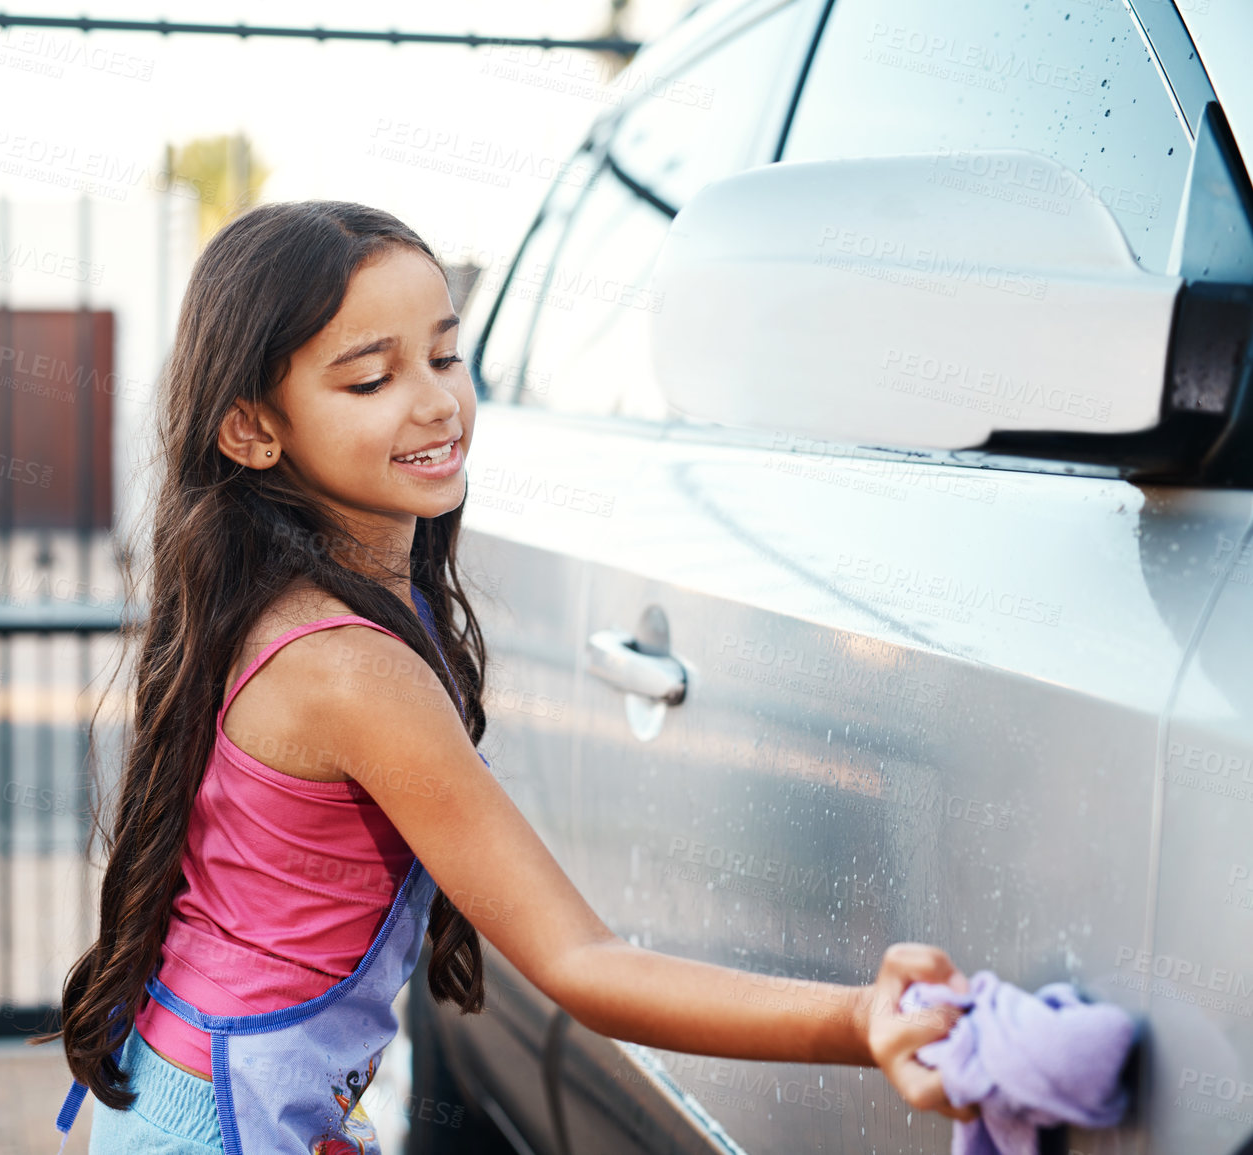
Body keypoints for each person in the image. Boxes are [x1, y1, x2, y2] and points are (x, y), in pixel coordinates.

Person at [50, 200, 976, 1154]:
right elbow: (580, 960)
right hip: (225, 1124)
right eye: (370, 378)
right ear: (249, 429)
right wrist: (863, 1018)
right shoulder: (347, 667)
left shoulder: (296, 602)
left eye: (444, 356)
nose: (435, 401)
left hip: (193, 1090)